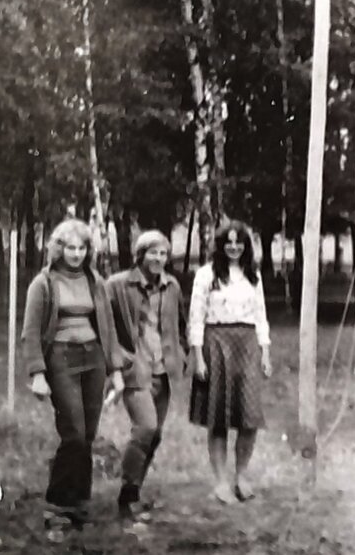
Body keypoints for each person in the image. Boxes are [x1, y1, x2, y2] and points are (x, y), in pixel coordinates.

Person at [20, 218, 124, 541]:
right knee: (74, 434)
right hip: (61, 359)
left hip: (93, 358)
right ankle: (57, 507)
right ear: (58, 248)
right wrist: (37, 373)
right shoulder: (44, 283)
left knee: (87, 436)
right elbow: (30, 333)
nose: (76, 254)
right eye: (70, 247)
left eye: (82, 248)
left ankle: (79, 505)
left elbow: (108, 330)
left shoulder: (97, 281)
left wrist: (116, 371)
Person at [105, 230, 189, 521]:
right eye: (153, 252)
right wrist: (116, 361)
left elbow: (180, 322)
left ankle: (135, 493)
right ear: (140, 255)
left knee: (155, 436)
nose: (158, 259)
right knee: (145, 428)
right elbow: (105, 327)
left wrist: (184, 353)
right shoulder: (117, 284)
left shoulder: (172, 286)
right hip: (134, 369)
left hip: (163, 370)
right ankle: (126, 497)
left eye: (163, 253)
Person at [188, 221, 273, 504]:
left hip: (247, 345)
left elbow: (261, 316)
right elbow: (196, 317)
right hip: (217, 343)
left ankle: (242, 476)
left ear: (246, 246)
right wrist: (198, 357)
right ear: (220, 245)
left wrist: (266, 353)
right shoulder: (206, 275)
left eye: (239, 242)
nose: (234, 247)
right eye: (229, 242)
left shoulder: (253, 276)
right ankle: (221, 482)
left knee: (249, 418)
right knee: (218, 418)